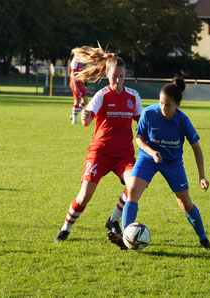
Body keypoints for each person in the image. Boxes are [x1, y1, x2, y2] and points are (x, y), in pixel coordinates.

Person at [107, 77, 210, 250]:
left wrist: (202, 176)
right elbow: (139, 139)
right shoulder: (149, 113)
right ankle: (126, 237)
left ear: (178, 104)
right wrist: (151, 152)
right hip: (148, 159)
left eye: (168, 104)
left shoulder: (183, 121)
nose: (163, 107)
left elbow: (197, 149)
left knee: (185, 202)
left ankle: (203, 239)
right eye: (161, 102)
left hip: (172, 163)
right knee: (132, 191)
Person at [54, 44, 143, 242]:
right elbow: (87, 120)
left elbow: (141, 124)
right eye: (114, 77)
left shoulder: (133, 97)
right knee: (85, 195)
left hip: (124, 155)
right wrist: (85, 117)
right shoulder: (102, 95)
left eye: (121, 77)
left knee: (135, 186)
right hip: (100, 152)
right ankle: (66, 228)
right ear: (107, 75)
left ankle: (113, 220)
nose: (118, 81)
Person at [69, 55, 88, 124]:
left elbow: (80, 73)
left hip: (80, 83)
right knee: (77, 101)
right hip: (75, 83)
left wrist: (83, 81)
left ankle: (74, 115)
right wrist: (75, 86)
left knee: (85, 100)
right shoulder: (75, 61)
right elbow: (73, 74)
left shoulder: (80, 61)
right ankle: (74, 120)